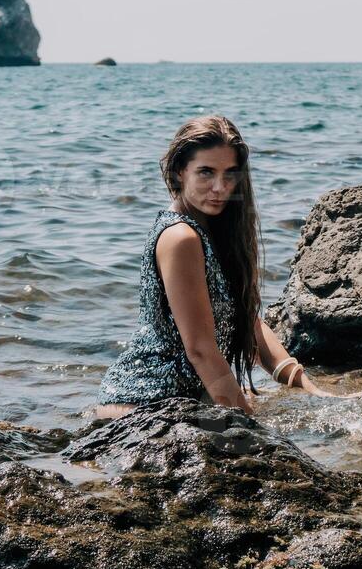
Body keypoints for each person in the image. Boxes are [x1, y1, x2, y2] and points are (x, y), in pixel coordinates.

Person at [95, 115, 321, 419]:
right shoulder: (180, 237)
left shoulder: (215, 232)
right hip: (143, 404)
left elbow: (248, 320)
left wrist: (304, 383)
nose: (220, 187)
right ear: (179, 173)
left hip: (186, 400)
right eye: (206, 172)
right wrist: (248, 424)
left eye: (230, 174)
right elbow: (200, 349)